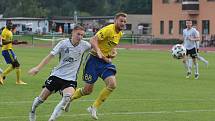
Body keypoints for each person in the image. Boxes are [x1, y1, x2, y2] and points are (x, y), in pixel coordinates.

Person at [65, 12, 127, 120]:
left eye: (125, 21)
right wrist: (98, 51)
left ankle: (93, 107)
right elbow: (93, 40)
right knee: (87, 90)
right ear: (115, 20)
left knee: (112, 84)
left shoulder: (120, 34)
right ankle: (69, 99)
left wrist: (113, 52)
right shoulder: (108, 29)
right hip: (93, 61)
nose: (123, 23)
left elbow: (111, 46)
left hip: (104, 62)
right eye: (121, 21)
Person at [28, 25, 91, 121]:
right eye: (78, 34)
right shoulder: (63, 43)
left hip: (70, 78)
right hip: (57, 75)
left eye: (82, 35)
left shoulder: (85, 45)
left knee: (67, 97)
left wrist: (109, 52)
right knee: (41, 99)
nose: (80, 37)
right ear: (72, 33)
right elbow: (50, 56)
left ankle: (52, 119)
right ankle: (32, 110)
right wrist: (37, 68)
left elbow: (97, 46)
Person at [1, 20, 27, 85]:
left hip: (10, 50)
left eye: (11, 24)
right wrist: (11, 42)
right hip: (6, 50)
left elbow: (12, 42)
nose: (11, 25)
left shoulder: (10, 31)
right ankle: (17, 81)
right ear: (6, 24)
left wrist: (21, 42)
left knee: (14, 65)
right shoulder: (4, 31)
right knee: (17, 64)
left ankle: (2, 76)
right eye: (9, 24)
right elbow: (3, 42)